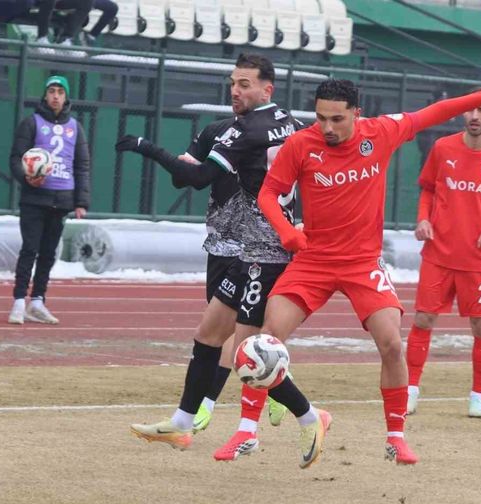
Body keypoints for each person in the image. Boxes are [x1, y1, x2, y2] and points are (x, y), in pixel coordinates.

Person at [256, 73, 481, 465]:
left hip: (363, 263)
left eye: (337, 119)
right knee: (266, 341)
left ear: (356, 114)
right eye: (321, 118)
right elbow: (268, 192)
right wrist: (286, 231)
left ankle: (396, 437)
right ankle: (262, 427)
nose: (327, 127)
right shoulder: (301, 144)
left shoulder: (382, 132)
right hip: (313, 260)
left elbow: (438, 111)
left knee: (392, 344)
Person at [117, 54, 326, 468]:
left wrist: (147, 147)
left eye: (245, 84)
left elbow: (194, 179)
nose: (235, 90)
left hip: (265, 255)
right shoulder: (290, 121)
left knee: (250, 352)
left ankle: (310, 417)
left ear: (267, 88)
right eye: (233, 83)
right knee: (209, 335)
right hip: (250, 248)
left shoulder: (244, 130)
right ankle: (181, 422)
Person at [405, 89, 481, 420]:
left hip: (479, 259)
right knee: (423, 319)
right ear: (463, 114)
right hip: (439, 252)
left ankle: (477, 396)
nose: (475, 116)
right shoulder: (443, 148)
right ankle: (411, 391)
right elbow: (428, 189)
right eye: (470, 111)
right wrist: (423, 219)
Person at [8, 75, 90, 324]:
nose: (55, 96)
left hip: (62, 198)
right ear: (45, 95)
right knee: (29, 249)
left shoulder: (75, 127)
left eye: (60, 92)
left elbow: (82, 165)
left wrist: (80, 201)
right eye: (51, 91)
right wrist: (27, 177)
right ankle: (19, 301)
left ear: (66, 97)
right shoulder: (31, 123)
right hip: (34, 198)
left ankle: (38, 301)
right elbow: (15, 159)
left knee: (48, 254)